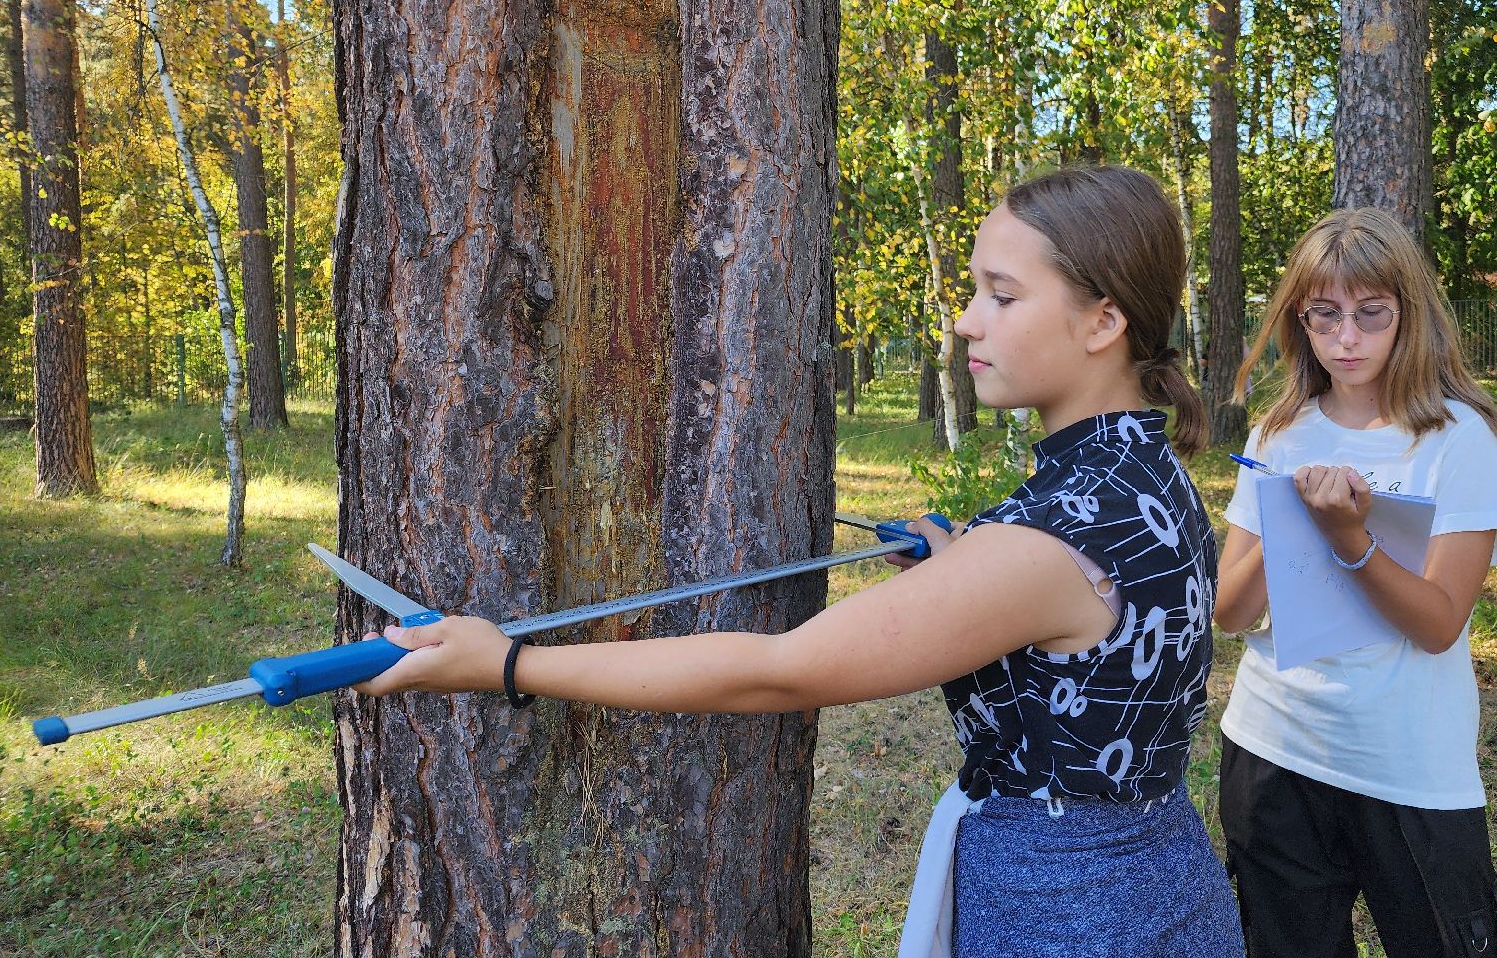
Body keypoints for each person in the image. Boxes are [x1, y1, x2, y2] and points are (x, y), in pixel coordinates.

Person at [352, 165, 1245, 958]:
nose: (968, 320)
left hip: (1070, 918)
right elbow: (1094, 644)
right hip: (1163, 881)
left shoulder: (1045, 538)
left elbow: (779, 673)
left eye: (1002, 297)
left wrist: (506, 661)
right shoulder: (1151, 472)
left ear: (1104, 322)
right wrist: (964, 575)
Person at [1211, 208, 1497, 958]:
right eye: (1324, 316)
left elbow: (1439, 622)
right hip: (1273, 749)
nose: (1345, 339)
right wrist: (1293, 514)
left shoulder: (1457, 440)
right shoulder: (1279, 432)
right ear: (1300, 319)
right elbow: (1230, 612)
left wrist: (1349, 538)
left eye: (1369, 315)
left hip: (1406, 764)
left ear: (1407, 314)